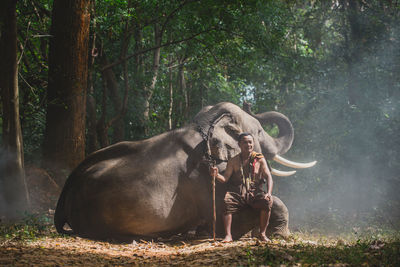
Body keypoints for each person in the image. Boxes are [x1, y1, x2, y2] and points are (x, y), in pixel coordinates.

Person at [210, 133, 273, 242]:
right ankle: (228, 235)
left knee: (267, 202)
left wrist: (269, 193)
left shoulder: (260, 159)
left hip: (255, 192)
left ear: (253, 144)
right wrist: (216, 175)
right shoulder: (233, 161)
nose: (248, 144)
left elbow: (269, 177)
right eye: (245, 142)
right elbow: (225, 179)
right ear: (239, 144)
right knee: (226, 202)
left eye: (250, 142)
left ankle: (262, 234)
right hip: (238, 192)